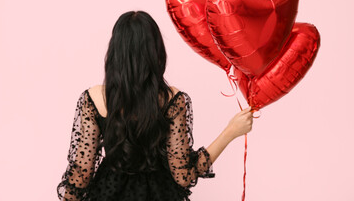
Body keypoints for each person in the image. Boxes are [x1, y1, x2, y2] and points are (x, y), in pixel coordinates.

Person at [57, 10, 254, 201]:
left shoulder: (94, 98)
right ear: (156, 52)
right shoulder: (172, 100)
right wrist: (230, 132)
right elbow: (184, 176)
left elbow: (81, 174)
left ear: (115, 52)